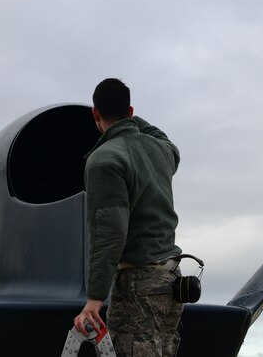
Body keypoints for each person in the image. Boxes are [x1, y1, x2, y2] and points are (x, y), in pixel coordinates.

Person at [74, 78, 184, 357]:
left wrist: (95, 298)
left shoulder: (104, 160)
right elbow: (164, 138)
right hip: (170, 284)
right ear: (131, 111)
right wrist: (129, 119)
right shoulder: (161, 150)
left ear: (95, 114)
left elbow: (109, 233)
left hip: (137, 288)